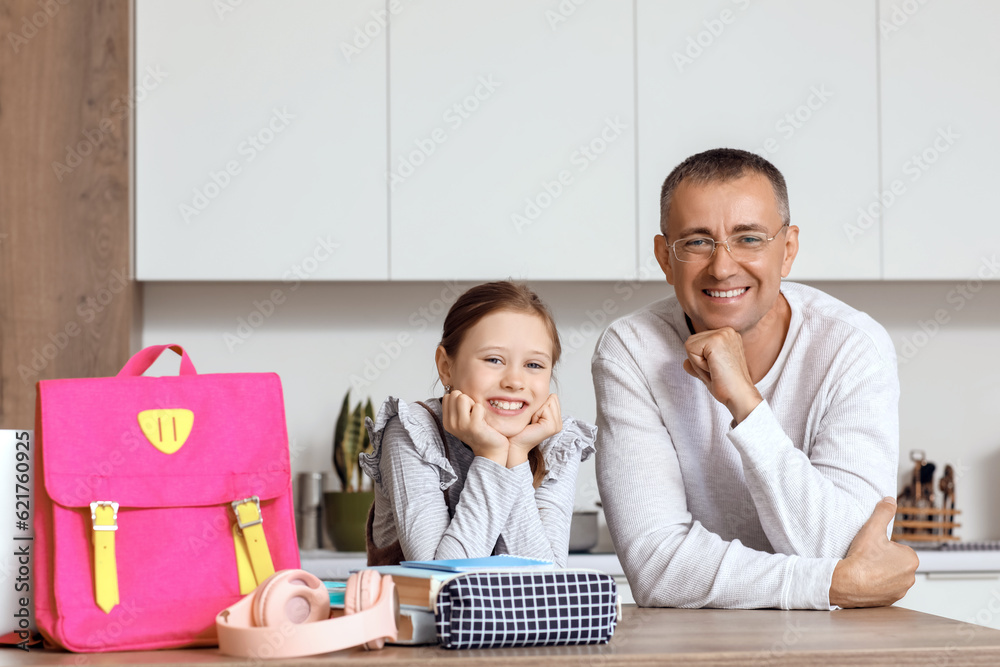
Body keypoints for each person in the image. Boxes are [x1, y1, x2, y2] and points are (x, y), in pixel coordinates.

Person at [593, 148, 918, 609]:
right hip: (690, 649)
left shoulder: (852, 347)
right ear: (665, 258)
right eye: (697, 242)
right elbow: (657, 567)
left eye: (748, 239)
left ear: (787, 250)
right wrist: (829, 585)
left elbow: (848, 547)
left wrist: (746, 404)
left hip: (835, 649)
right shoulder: (631, 349)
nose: (722, 267)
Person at [361, 281, 596, 567]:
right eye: (494, 359)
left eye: (533, 365)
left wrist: (517, 454)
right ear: (446, 367)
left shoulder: (555, 441)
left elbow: (545, 580)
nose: (514, 381)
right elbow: (442, 579)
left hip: (516, 614)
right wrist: (493, 456)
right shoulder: (413, 433)